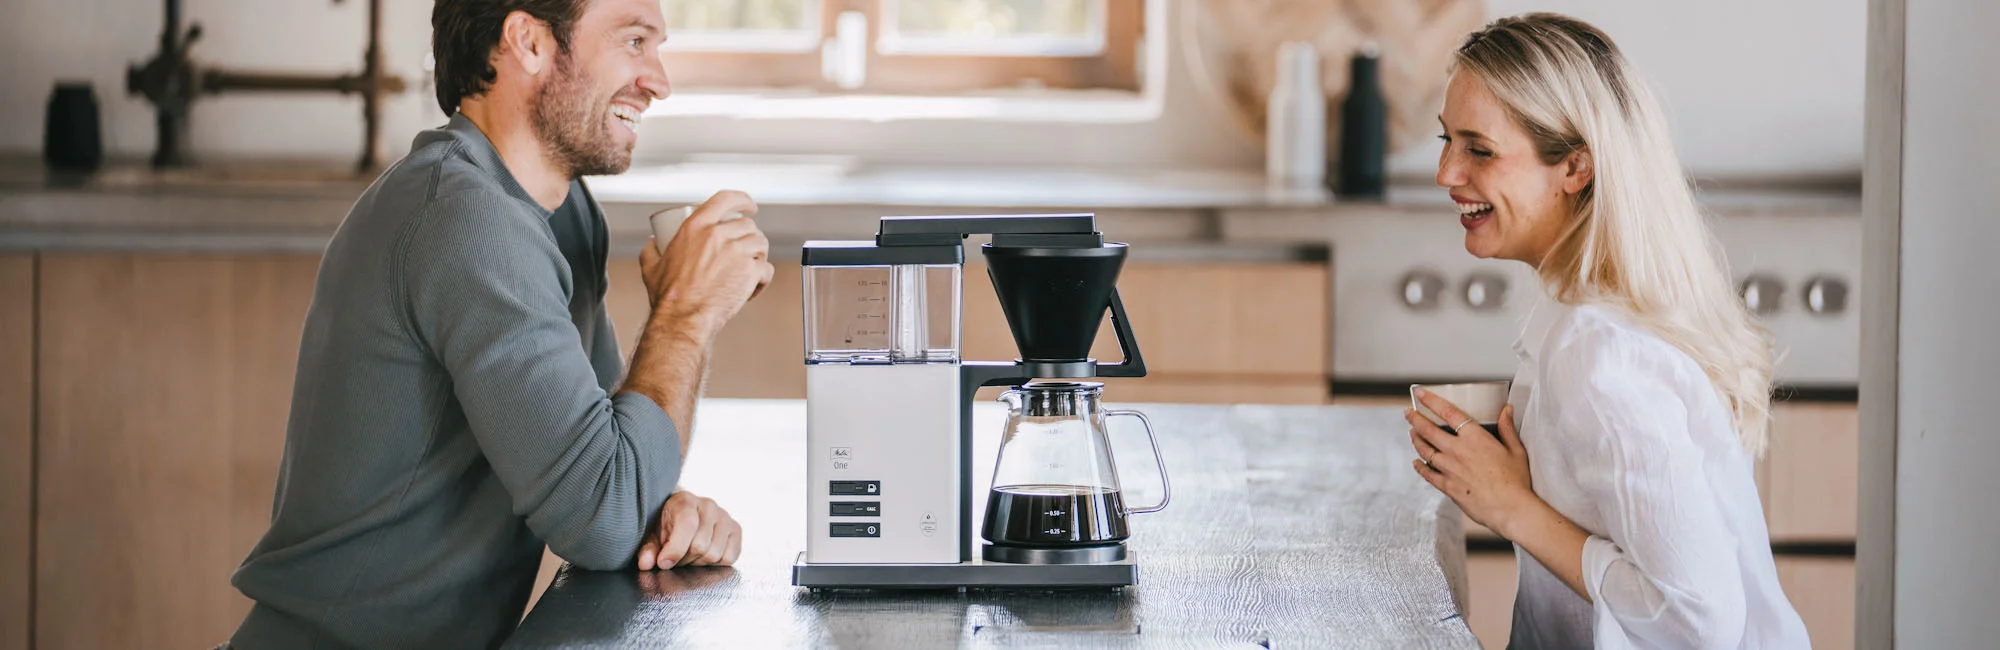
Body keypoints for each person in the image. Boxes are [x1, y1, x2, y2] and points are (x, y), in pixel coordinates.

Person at [226, 0, 774, 647]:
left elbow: (607, 466)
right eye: (633, 41)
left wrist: (667, 509)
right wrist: (686, 312)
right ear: (528, 42)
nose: (658, 80)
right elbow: (607, 512)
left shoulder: (563, 215)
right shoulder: (464, 217)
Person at [1406, 13, 1810, 649]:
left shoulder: (1600, 356)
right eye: (1446, 141)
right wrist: (1517, 487)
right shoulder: (1578, 316)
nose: (1447, 173)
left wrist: (1514, 507)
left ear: (1575, 169)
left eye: (1479, 149)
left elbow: (1699, 624)